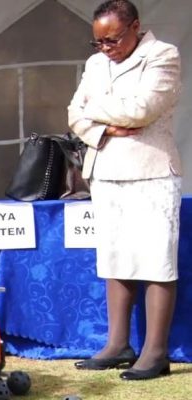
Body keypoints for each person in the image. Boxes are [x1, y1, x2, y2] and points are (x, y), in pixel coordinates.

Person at [68, 0, 182, 381]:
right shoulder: (95, 64)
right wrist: (105, 128)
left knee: (156, 259)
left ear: (135, 27)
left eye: (112, 39)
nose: (106, 48)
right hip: (105, 170)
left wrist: (94, 110)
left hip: (151, 171)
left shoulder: (162, 55)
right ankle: (118, 344)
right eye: (98, 42)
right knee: (114, 258)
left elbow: (143, 109)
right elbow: (73, 114)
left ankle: (156, 351)